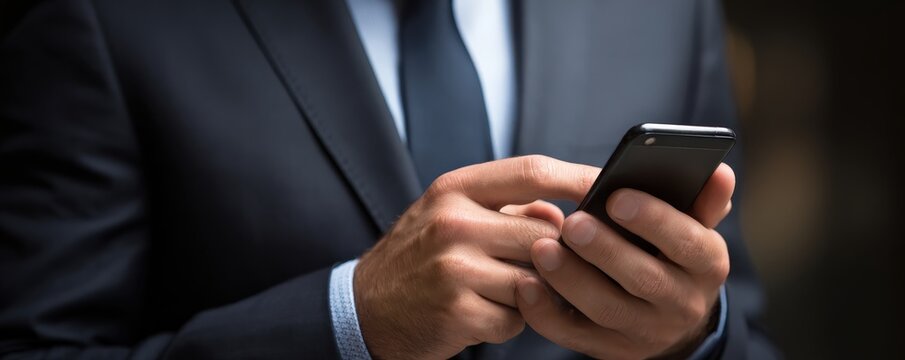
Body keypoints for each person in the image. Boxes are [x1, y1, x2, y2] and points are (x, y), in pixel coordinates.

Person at [0, 0, 778, 358]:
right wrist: (349, 322)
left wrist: (690, 339)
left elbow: (739, 323)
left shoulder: (664, 14)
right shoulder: (105, 19)